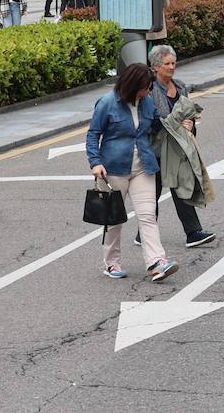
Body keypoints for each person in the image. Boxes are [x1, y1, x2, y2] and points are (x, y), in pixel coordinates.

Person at [86, 63, 179, 283]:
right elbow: (93, 134)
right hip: (113, 168)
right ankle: (111, 263)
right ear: (132, 85)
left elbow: (158, 126)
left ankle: (157, 262)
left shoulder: (146, 103)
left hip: (143, 166)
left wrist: (181, 122)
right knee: (115, 219)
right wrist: (95, 162)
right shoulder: (107, 103)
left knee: (148, 216)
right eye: (145, 88)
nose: (147, 92)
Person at [145, 46, 216, 248]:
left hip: (177, 148)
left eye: (173, 63)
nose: (171, 67)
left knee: (181, 186)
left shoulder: (181, 86)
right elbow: (150, 120)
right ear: (156, 66)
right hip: (158, 148)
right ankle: (144, 234)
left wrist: (190, 124)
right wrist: (175, 123)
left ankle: (193, 232)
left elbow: (189, 113)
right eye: (167, 63)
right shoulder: (149, 90)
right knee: (153, 193)